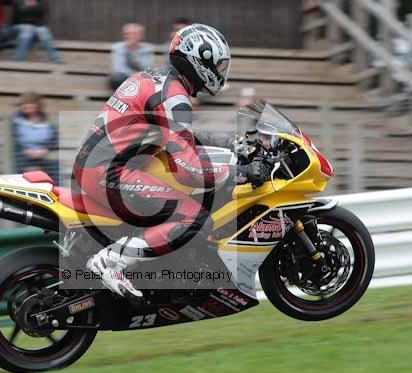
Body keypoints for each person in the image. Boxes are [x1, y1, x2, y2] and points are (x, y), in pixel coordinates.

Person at [75, 24, 268, 299]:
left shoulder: (155, 79)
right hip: (110, 172)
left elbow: (182, 136)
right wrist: (239, 171)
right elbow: (189, 169)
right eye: (218, 65)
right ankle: (111, 261)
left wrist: (232, 144)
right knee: (194, 217)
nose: (220, 72)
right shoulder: (174, 97)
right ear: (199, 61)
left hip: (102, 165)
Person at [11, 92, 59, 183]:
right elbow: (14, 141)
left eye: (30, 103)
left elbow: (54, 140)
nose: (27, 106)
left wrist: (45, 150)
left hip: (44, 157)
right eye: (25, 103)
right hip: (23, 157)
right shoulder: (16, 121)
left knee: (53, 165)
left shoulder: (48, 122)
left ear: (38, 105)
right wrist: (25, 151)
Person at [109, 23, 153, 90]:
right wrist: (132, 76)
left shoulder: (147, 48)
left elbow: (145, 68)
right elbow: (118, 69)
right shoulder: (118, 47)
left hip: (139, 80)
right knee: (117, 78)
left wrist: (132, 54)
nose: (131, 36)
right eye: (128, 34)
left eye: (135, 34)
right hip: (122, 79)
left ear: (141, 36)